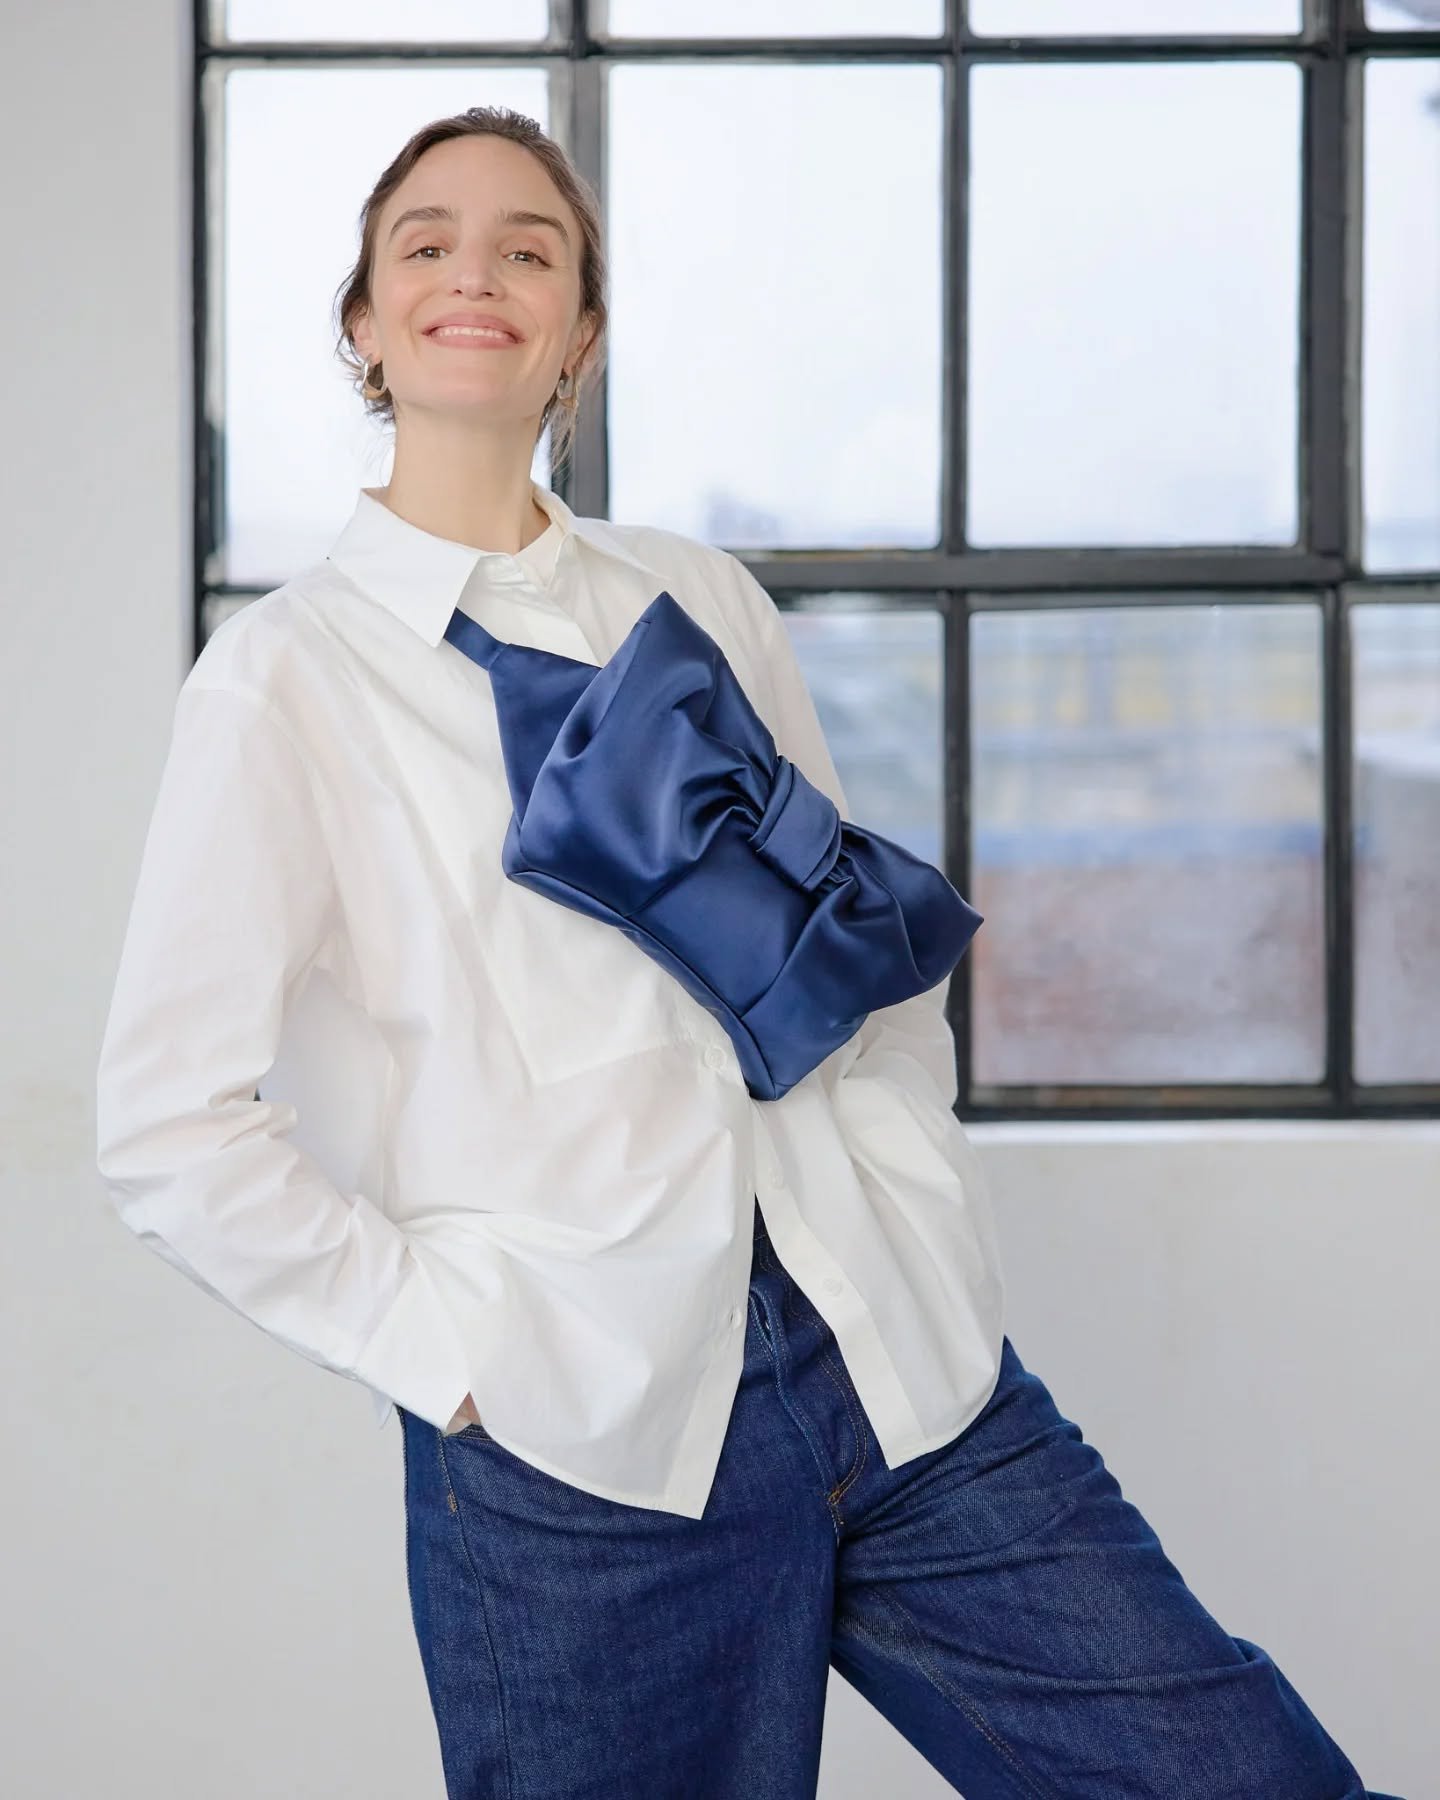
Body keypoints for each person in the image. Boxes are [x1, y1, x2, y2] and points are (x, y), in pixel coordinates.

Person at [94, 106, 1402, 1800]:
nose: (475, 274)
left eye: (529, 250)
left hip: (895, 1358)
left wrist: (910, 1188)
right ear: (365, 320)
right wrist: (459, 1359)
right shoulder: (284, 680)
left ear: (581, 332)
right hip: (588, 1438)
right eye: (426, 244)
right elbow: (169, 1127)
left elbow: (851, 934)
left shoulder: (697, 599)